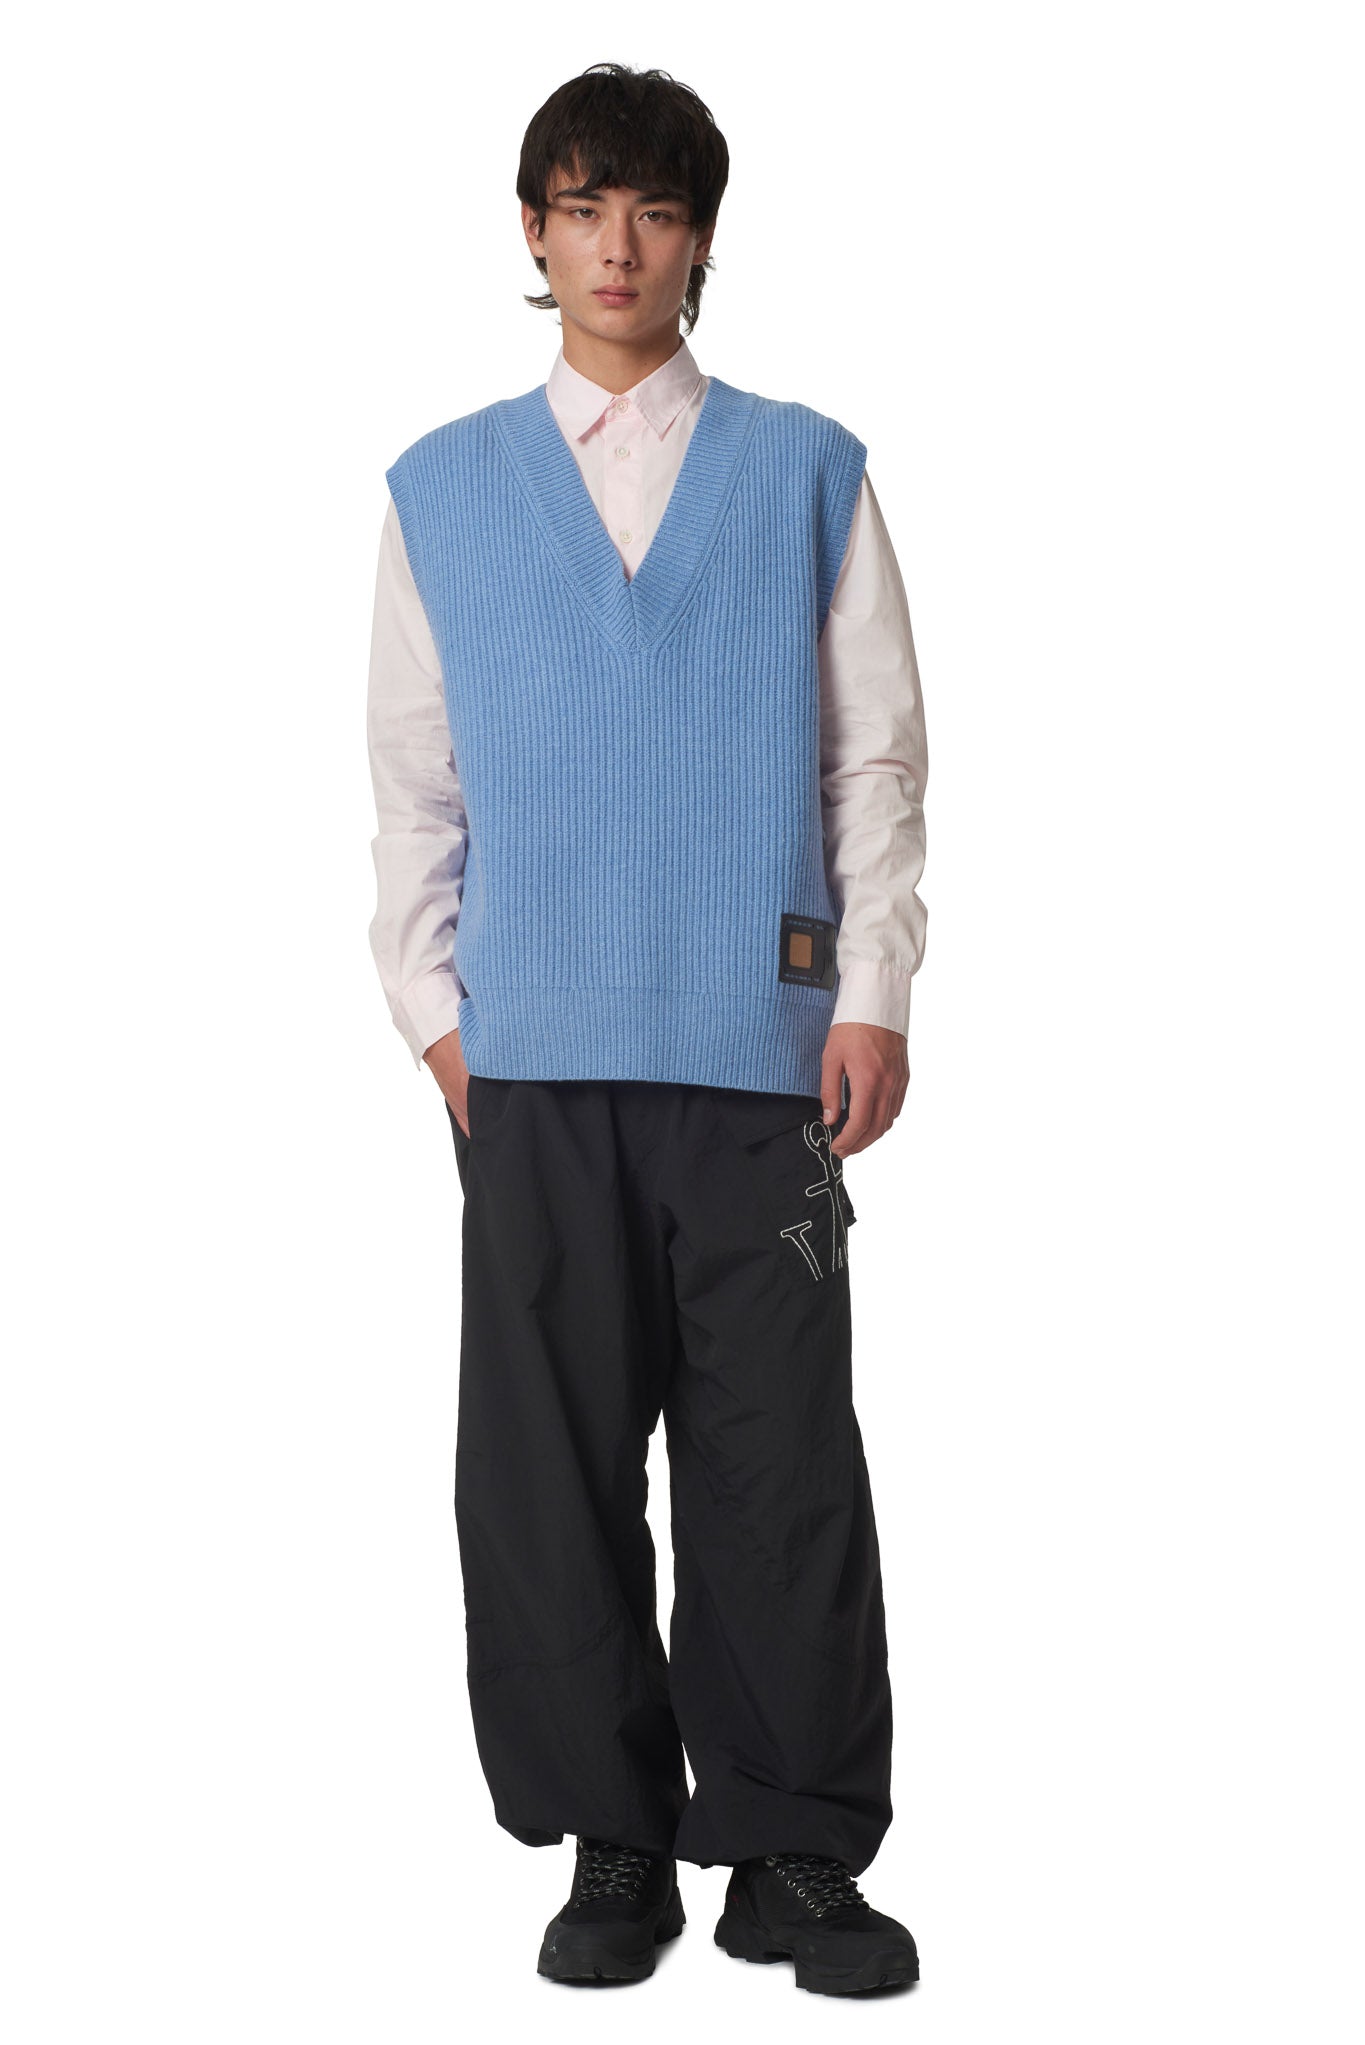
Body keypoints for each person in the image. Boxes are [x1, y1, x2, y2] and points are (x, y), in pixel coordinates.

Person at [366, 61, 929, 1997]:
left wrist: (872, 991)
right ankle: (607, 1834)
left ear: (699, 237)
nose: (619, 245)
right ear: (533, 230)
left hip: (758, 1061)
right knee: (544, 1465)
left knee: (779, 1461)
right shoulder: (442, 492)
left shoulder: (805, 473)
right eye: (584, 205)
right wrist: (439, 1021)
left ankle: (787, 1849)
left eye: (657, 209)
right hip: (529, 1068)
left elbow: (871, 761)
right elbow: (413, 786)